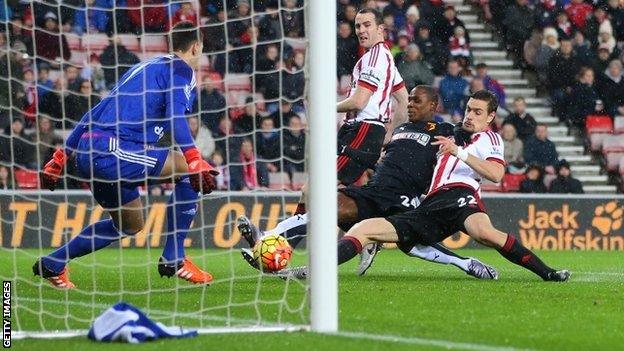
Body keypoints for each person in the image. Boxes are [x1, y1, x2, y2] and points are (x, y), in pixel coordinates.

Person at [283, 90, 569, 282]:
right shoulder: (450, 133)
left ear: (491, 117)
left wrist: (459, 153)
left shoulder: (489, 140)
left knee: (486, 233)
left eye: (478, 112)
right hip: (428, 205)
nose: (470, 115)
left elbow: (495, 173)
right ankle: (313, 271)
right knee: (364, 229)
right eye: (468, 109)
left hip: (461, 198)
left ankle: (548, 274)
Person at [237, 86, 499, 280]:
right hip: (376, 190)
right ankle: (269, 238)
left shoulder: (446, 131)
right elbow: (386, 159)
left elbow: (477, 134)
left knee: (414, 247)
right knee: (329, 206)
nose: (410, 104)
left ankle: (466, 263)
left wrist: (478, 119)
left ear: (433, 106)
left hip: (406, 199)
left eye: (417, 101)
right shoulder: (398, 130)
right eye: (408, 100)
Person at [33, 22, 218, 289]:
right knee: (193, 172)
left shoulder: (141, 68)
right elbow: (176, 115)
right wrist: (193, 156)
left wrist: (62, 155)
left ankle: (53, 263)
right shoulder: (182, 70)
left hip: (88, 151)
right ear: (196, 47)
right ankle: (174, 257)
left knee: (129, 225)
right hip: (113, 151)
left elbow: (93, 113)